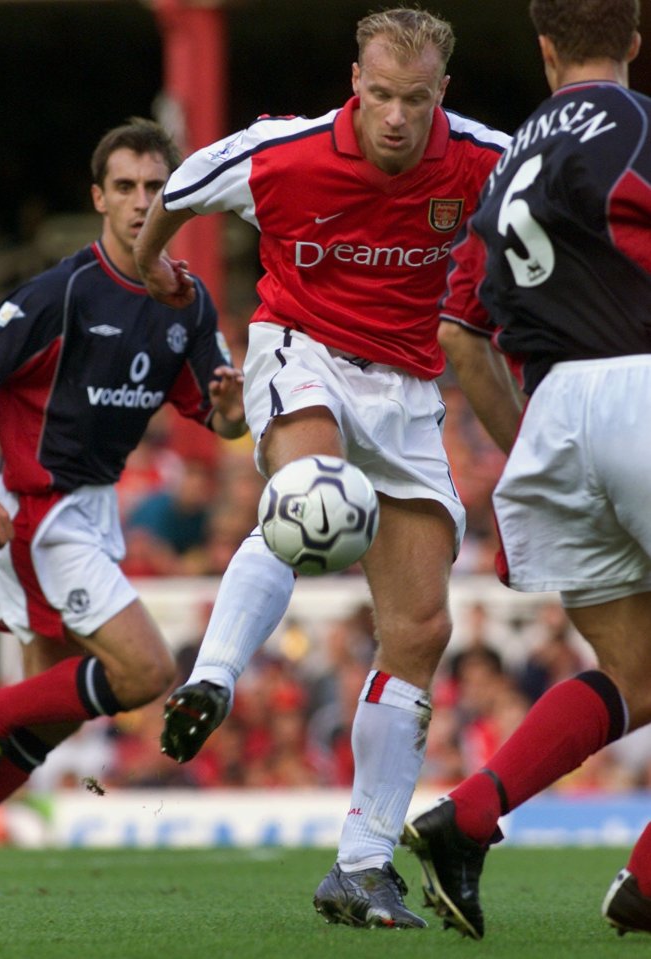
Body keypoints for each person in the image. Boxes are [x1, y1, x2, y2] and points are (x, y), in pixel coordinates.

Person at [134, 6, 511, 928]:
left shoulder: (482, 157)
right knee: (312, 495)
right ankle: (215, 673)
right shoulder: (282, 153)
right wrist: (151, 271)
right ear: (354, 81)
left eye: (413, 100)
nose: (394, 115)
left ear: (441, 96)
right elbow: (178, 188)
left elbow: (576, 195)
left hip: (413, 390)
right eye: (379, 93)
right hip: (302, 350)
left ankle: (361, 862)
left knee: (420, 627)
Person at [401, 0, 651, 940]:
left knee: (635, 670)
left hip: (551, 418)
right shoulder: (639, 127)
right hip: (640, 385)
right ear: (633, 38)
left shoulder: (506, 163)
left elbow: (459, 337)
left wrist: (539, 449)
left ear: (545, 50)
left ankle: (465, 816)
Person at [0, 117, 247, 897]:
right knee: (144, 668)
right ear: (99, 198)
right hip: (38, 512)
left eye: (156, 187)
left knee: (50, 715)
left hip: (88, 510)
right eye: (125, 187)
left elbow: (219, 419)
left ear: (177, 195)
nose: (142, 201)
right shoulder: (62, 291)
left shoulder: (187, 302)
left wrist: (234, 405)